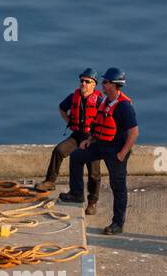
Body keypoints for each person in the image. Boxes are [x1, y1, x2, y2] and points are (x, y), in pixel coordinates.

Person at [61, 67, 137, 234]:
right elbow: (97, 125)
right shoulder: (105, 101)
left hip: (116, 150)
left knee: (118, 187)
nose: (102, 84)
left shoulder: (124, 106)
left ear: (114, 85)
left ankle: (117, 223)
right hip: (100, 144)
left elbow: (133, 133)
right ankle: (77, 193)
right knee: (77, 156)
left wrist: (122, 154)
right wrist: (89, 140)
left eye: (105, 82)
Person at [36, 68, 103, 212]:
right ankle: (51, 182)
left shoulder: (99, 101)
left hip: (92, 139)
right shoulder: (74, 97)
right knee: (59, 151)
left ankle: (92, 203)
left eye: (87, 81)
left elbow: (105, 119)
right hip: (77, 135)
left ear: (94, 85)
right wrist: (70, 122)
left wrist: (95, 136)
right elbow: (61, 108)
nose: (83, 84)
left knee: (94, 172)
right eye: (82, 81)